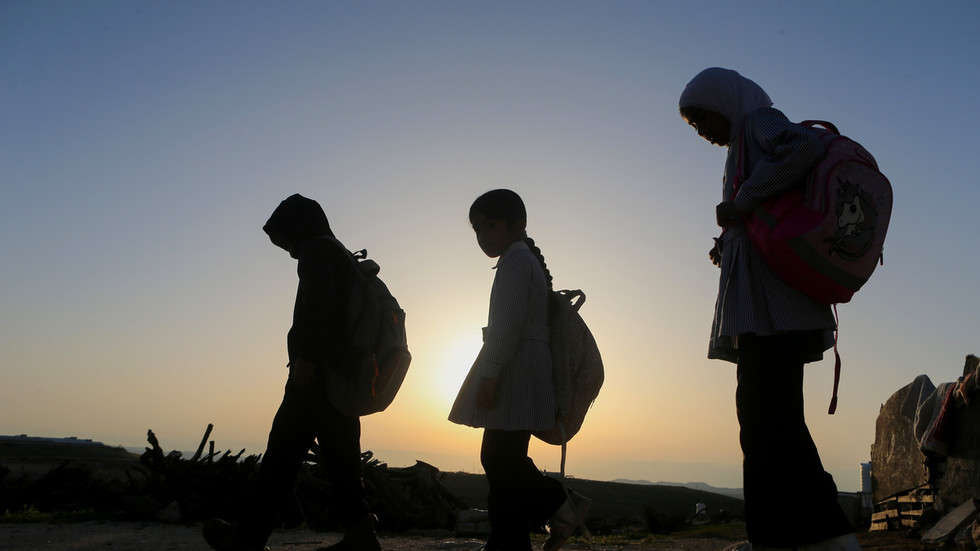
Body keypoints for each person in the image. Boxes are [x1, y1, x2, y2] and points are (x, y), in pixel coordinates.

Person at [678, 68, 861, 551]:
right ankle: (811, 536)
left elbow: (805, 148)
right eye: (694, 125)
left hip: (774, 311)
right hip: (771, 310)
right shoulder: (745, 142)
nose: (702, 131)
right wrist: (728, 241)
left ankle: (797, 536)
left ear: (726, 102)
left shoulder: (759, 121)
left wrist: (742, 200)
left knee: (765, 422)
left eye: (703, 118)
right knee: (773, 421)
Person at [203, 193, 381, 551]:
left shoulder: (316, 250)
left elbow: (319, 306)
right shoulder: (340, 252)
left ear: (297, 228)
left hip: (316, 376)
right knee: (342, 457)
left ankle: (249, 537)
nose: (287, 251)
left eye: (284, 241)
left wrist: (307, 359)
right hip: (342, 376)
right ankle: (361, 534)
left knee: (281, 457)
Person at [448, 189, 590, 551]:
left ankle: (558, 504)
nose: (483, 235)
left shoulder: (515, 260)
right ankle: (510, 541)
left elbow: (507, 324)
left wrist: (490, 374)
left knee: (498, 458)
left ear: (518, 224)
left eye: (490, 226)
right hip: (527, 366)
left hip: (516, 369)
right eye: (477, 228)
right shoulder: (523, 259)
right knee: (504, 459)